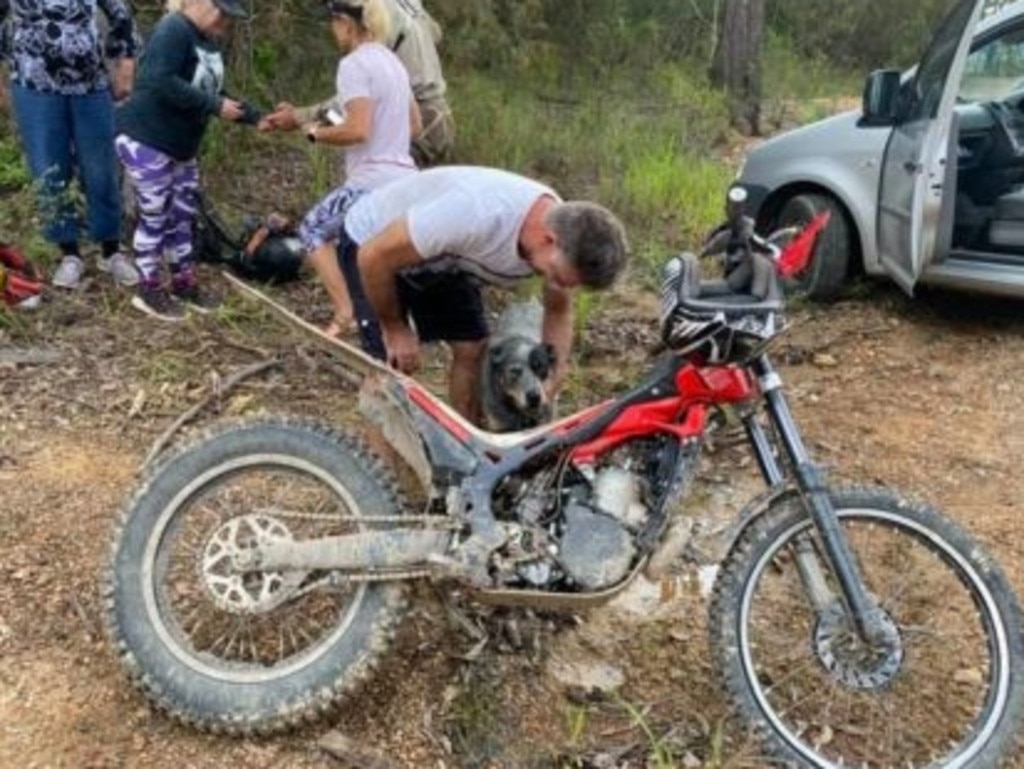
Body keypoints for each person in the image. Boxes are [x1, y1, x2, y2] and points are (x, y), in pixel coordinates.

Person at [338, 165, 629, 424]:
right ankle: (382, 478)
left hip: (445, 257)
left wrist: (554, 374)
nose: (559, 285)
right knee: (388, 370)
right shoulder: (474, 212)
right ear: (548, 240)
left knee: (473, 348)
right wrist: (394, 328)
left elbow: (558, 311)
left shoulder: (566, 235)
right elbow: (373, 257)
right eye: (558, 277)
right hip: (374, 243)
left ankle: (466, 449)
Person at [259, 0, 420, 338]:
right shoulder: (394, 63)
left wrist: (316, 134)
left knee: (314, 230)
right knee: (368, 246)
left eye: (333, 25)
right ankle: (389, 321)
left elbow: (358, 129)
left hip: (373, 179)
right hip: (406, 177)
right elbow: (415, 126)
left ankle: (345, 312)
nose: (333, 33)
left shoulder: (354, 64)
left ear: (345, 24)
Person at [114, 0, 260, 321]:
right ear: (208, 7)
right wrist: (213, 104)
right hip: (147, 138)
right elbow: (158, 79)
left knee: (184, 214)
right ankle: (148, 287)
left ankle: (184, 282)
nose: (225, 24)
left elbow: (213, 89)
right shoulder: (174, 28)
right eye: (223, 15)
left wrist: (256, 117)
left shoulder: (206, 40)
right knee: (155, 214)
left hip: (181, 145)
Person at [0, 0, 140, 290]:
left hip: (91, 86)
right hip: (34, 86)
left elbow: (120, 12)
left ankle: (111, 250)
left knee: (101, 169)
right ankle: (69, 253)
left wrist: (126, 62)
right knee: (50, 169)